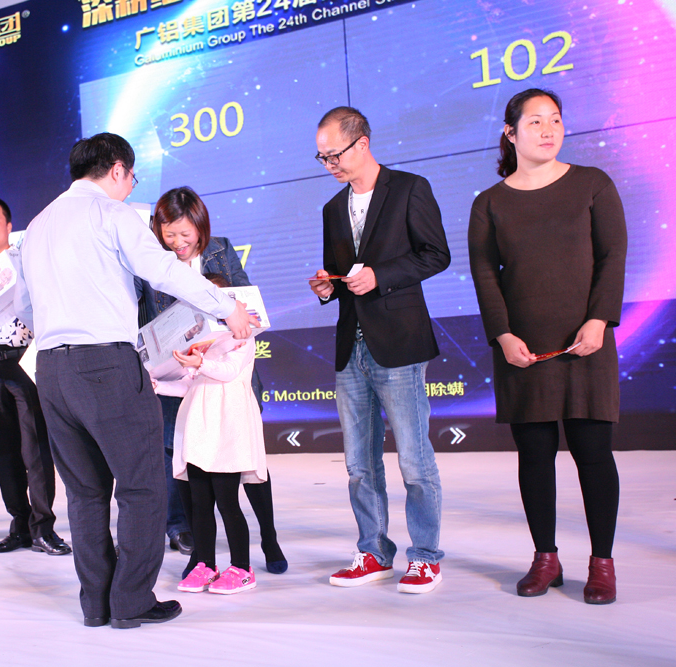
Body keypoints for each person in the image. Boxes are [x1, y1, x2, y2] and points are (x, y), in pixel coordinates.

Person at [16, 132, 255, 629]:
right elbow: (164, 271)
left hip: (51, 369)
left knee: (84, 493)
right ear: (118, 170)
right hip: (106, 365)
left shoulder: (36, 226)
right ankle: (131, 601)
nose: (131, 187)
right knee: (142, 486)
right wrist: (227, 306)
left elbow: (25, 306)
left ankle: (96, 604)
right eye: (132, 178)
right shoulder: (113, 213)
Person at [468, 88, 626, 605]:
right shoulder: (489, 203)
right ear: (510, 133)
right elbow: (485, 275)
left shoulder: (592, 184)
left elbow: (613, 256)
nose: (548, 129)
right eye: (535, 121)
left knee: (593, 453)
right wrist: (503, 335)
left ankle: (602, 564)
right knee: (535, 455)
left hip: (586, 341)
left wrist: (599, 320)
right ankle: (545, 558)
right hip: (523, 347)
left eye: (555, 119)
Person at [309, 107, 449, 594]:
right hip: (351, 344)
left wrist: (380, 277)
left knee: (414, 459)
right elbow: (342, 276)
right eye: (323, 158)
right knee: (358, 464)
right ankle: (373, 550)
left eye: (335, 155)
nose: (330, 165)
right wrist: (328, 288)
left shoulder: (409, 188)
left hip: (399, 342)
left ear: (362, 143)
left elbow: (436, 254)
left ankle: (425, 556)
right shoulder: (332, 208)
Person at [137, 186, 287, 574]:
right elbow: (141, 316)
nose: (177, 243)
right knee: (184, 459)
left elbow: (246, 302)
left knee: (246, 458)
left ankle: (268, 536)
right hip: (180, 373)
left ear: (200, 227)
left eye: (185, 234)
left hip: (229, 373)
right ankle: (189, 538)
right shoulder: (151, 263)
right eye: (168, 234)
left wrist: (230, 326)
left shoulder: (221, 249)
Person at [0, 196, 70, 557]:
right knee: (3, 453)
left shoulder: (26, 263)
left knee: (36, 451)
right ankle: (19, 525)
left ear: (9, 227)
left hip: (24, 364)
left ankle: (43, 528)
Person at [155, 273, 266, 595]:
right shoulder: (202, 343)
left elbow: (228, 372)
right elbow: (190, 385)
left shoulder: (243, 336)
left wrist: (199, 362)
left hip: (227, 429)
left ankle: (242, 568)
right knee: (199, 503)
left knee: (228, 502)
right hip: (198, 431)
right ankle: (205, 564)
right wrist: (157, 385)